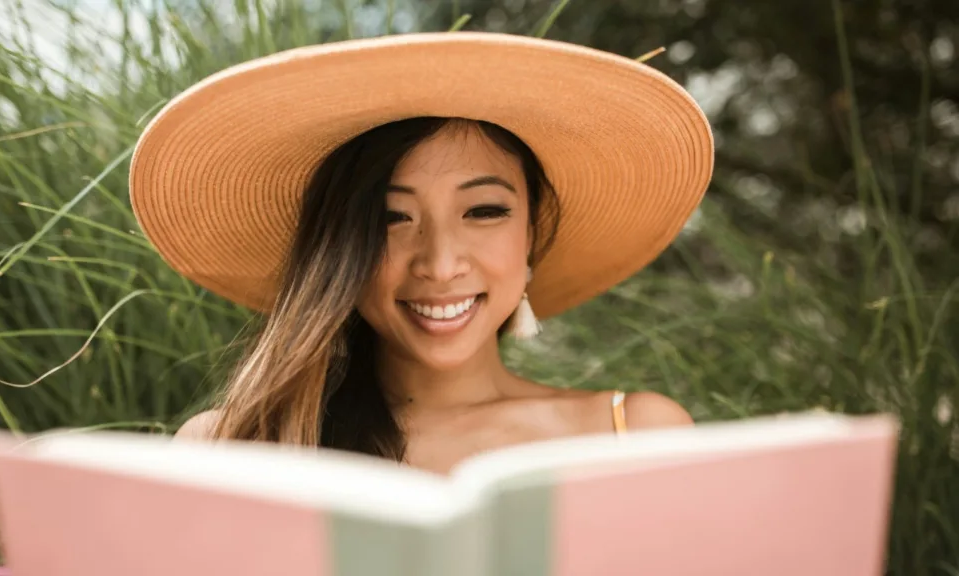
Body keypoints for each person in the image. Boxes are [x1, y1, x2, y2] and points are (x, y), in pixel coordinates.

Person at [128, 31, 714, 475]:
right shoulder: (232, 449)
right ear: (339, 253)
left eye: (484, 211)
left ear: (532, 233)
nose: (439, 264)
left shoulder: (636, 435)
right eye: (390, 218)